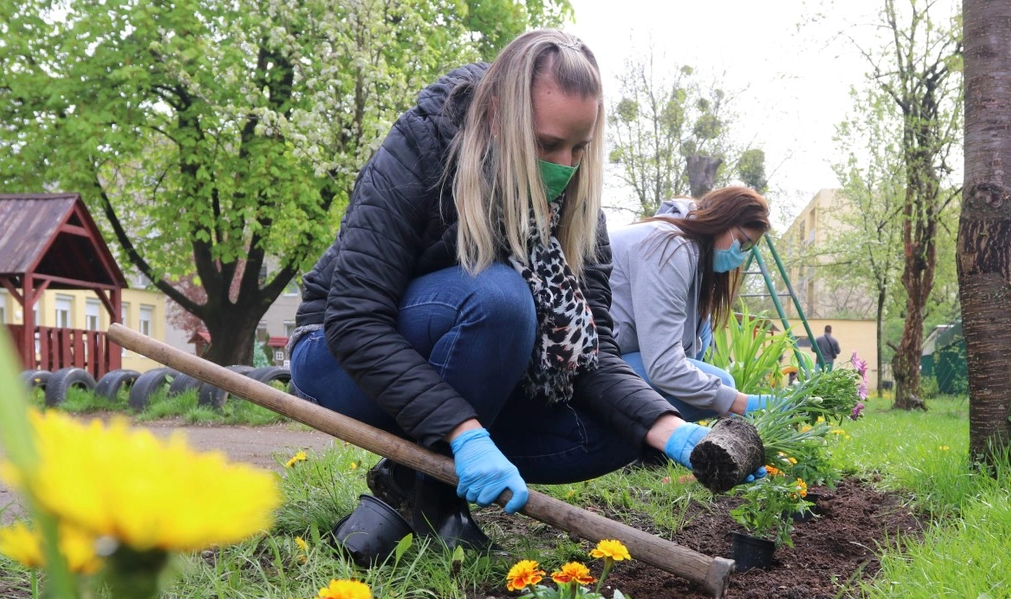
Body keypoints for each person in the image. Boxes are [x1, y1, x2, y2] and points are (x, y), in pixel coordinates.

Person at [287, 30, 722, 567]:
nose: (564, 165)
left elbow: (593, 358)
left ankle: (414, 482)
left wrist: (674, 430)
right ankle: (438, 487)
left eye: (578, 148)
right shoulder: (425, 146)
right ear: (498, 115)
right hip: (337, 355)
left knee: (618, 434)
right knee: (499, 300)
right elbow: (354, 321)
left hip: (462, 365)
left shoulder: (578, 208)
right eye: (546, 145)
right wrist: (465, 433)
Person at [608, 187, 778, 420]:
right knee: (724, 386)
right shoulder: (669, 247)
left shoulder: (695, 263)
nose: (741, 255)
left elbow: (687, 359)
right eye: (742, 242)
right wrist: (741, 402)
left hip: (623, 359)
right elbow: (664, 367)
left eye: (749, 249)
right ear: (722, 219)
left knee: (712, 376)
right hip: (590, 366)